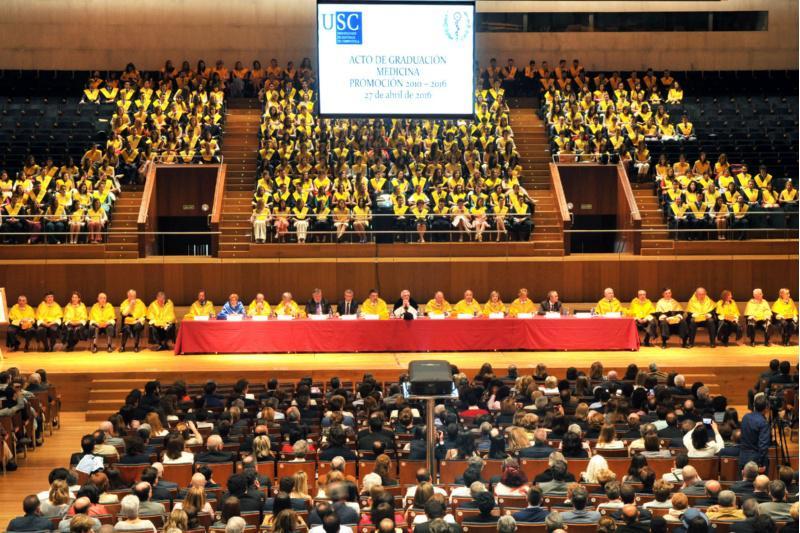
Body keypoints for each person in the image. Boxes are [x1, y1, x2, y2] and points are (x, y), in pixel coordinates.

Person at [739, 395, 770, 471]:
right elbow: (763, 446)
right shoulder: (763, 423)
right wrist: (761, 463)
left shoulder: (745, 417)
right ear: (766, 408)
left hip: (742, 457)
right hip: (755, 461)